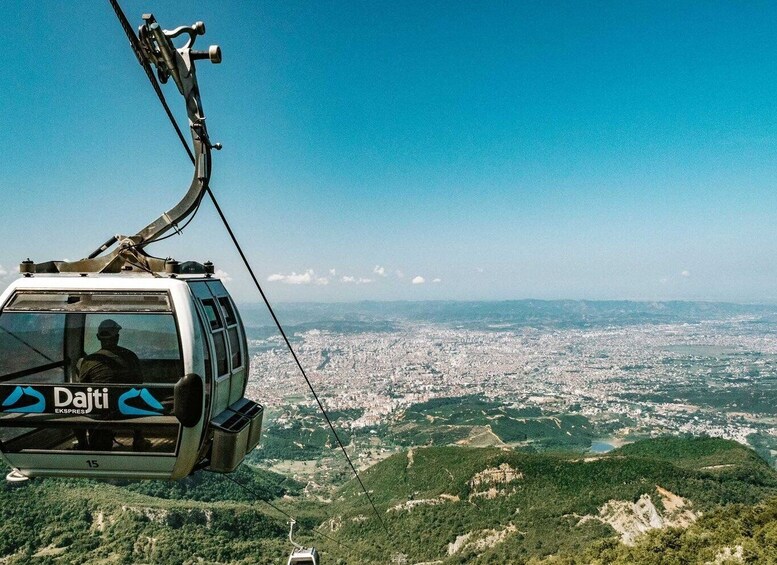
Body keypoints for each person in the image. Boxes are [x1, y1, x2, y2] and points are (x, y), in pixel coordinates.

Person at [77, 319, 147, 451]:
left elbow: (83, 386)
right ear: (117, 337)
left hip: (100, 411)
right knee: (138, 396)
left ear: (98, 337)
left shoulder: (89, 360)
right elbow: (139, 381)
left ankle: (82, 443)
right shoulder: (131, 356)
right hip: (127, 409)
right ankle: (138, 438)